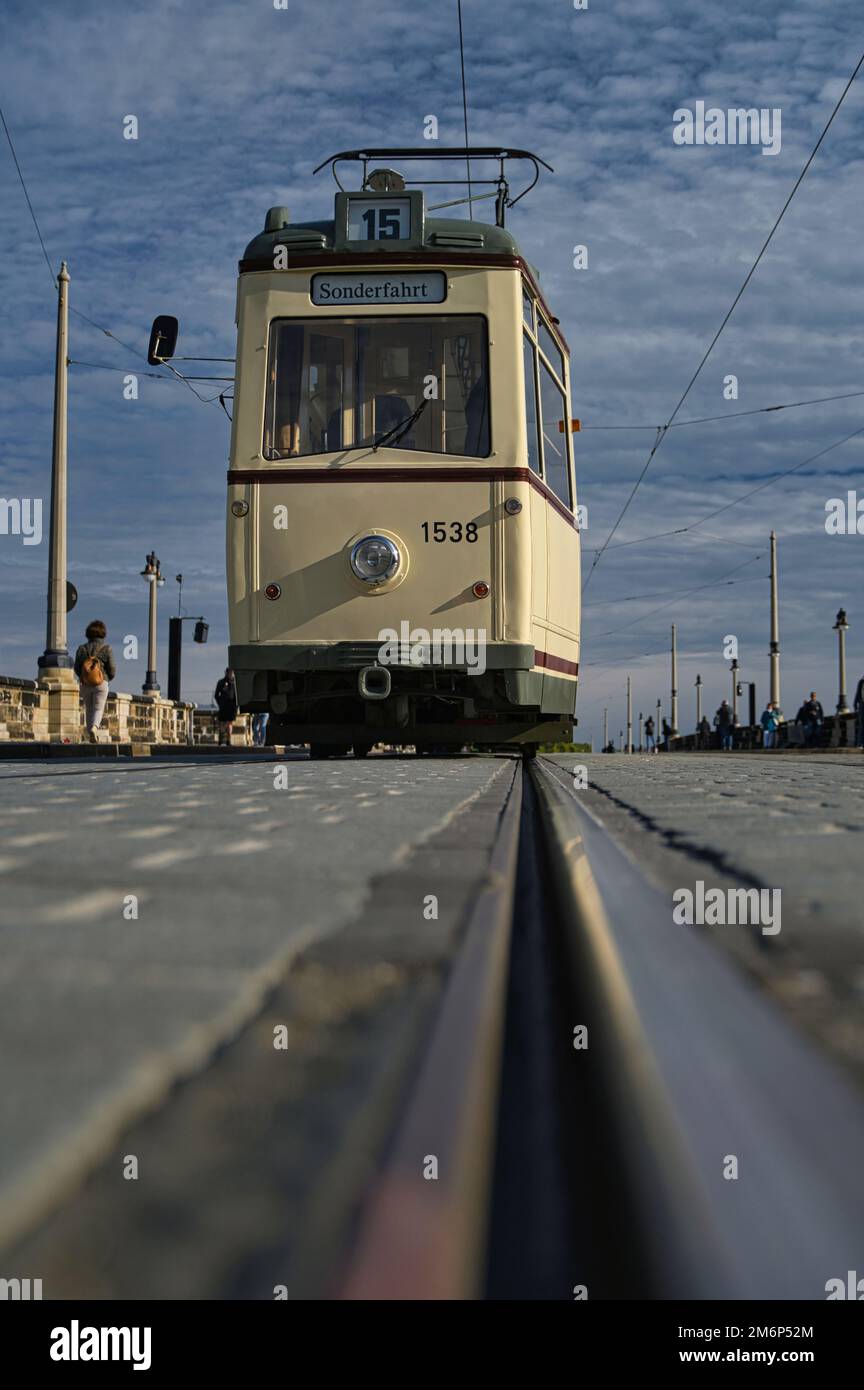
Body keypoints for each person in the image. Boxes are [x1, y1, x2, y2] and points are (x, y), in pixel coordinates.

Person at [74, 619, 117, 743]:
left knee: (89, 708)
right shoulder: (106, 648)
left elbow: (76, 668)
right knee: (98, 708)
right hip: (101, 682)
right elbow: (112, 669)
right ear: (103, 633)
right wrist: (107, 678)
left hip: (85, 683)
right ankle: (94, 728)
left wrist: (85, 677)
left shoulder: (81, 649)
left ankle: (89, 733)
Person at [214, 668, 239, 746]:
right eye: (230, 673)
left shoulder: (235, 683)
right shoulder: (221, 682)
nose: (231, 674)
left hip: (232, 706)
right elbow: (216, 695)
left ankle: (228, 741)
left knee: (229, 724)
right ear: (226, 673)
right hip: (224, 706)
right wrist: (220, 703)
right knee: (222, 724)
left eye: (232, 673)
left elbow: (237, 696)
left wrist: (236, 706)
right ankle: (221, 741)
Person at [854, 676, 864, 749]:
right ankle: (860, 743)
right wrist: (855, 703)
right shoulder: (861, 681)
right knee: (862, 724)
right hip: (862, 704)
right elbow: (858, 692)